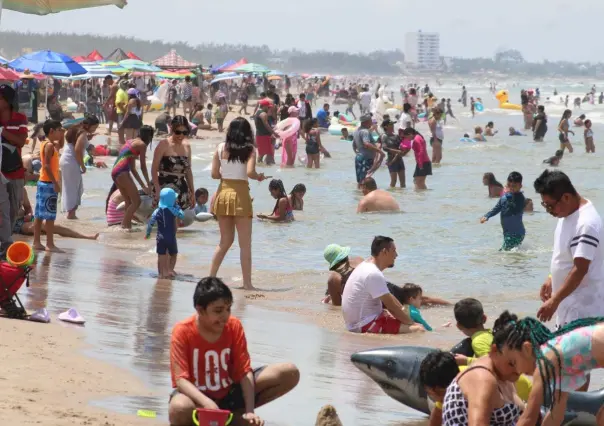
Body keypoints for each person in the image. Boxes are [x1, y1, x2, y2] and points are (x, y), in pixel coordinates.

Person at [168, 277, 299, 426]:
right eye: (218, 311)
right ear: (200, 310)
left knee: (289, 372)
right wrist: (206, 403)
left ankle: (236, 416)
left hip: (229, 395)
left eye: (228, 309)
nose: (224, 316)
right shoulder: (182, 331)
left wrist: (250, 410)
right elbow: (180, 380)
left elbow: (243, 371)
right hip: (196, 399)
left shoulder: (234, 326)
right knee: (179, 408)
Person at [493, 311, 604, 426]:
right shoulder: (558, 362)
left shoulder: (546, 360)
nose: (517, 371)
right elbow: (556, 414)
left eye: (513, 362)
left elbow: (528, 417)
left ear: (527, 348)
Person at [533, 170, 604, 332]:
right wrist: (551, 277)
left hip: (585, 313)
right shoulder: (567, 214)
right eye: (545, 205)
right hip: (569, 309)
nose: (549, 211)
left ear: (566, 197)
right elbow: (567, 257)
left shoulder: (586, 224)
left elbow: (580, 268)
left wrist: (554, 300)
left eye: (550, 205)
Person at [209, 117, 266, 291]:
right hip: (240, 196)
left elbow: (214, 174)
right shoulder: (250, 150)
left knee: (224, 242)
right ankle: (247, 283)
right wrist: (259, 177)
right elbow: (249, 172)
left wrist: (225, 174)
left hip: (223, 194)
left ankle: (211, 278)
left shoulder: (219, 148)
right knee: (245, 244)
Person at [323, 243, 450, 307]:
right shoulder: (359, 259)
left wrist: (329, 298)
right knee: (420, 299)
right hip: (384, 287)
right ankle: (451, 306)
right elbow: (376, 273)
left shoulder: (333, 279)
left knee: (411, 304)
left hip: (372, 299)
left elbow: (339, 307)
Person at [341, 236, 421, 334]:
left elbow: (388, 296)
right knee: (419, 330)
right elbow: (391, 307)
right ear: (384, 252)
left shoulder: (366, 266)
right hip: (363, 325)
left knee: (398, 316)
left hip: (356, 322)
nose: (396, 255)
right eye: (394, 251)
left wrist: (403, 310)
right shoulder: (373, 273)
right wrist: (411, 323)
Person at [0, 84, 28, 256]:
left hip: (15, 171)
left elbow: (21, 141)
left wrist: (3, 132)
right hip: (0, 173)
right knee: (2, 209)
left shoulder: (19, 118)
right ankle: (5, 244)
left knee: (14, 208)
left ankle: (6, 239)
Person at [111, 125, 154, 229]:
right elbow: (143, 166)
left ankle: (127, 226)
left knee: (128, 201)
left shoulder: (130, 141)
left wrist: (143, 185)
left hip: (115, 171)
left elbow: (133, 169)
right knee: (137, 201)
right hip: (122, 172)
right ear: (149, 136)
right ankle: (124, 226)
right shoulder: (142, 145)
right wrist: (148, 184)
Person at [14, 189, 98, 240]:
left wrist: (29, 214)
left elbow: (28, 207)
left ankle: (82, 236)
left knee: (48, 225)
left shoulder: (22, 190)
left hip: (25, 218)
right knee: (35, 228)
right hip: (15, 222)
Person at [33, 120, 65, 252]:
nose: (60, 132)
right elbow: (46, 166)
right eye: (58, 130)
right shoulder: (49, 146)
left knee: (39, 214)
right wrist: (55, 183)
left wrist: (62, 134)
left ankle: (36, 242)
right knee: (50, 216)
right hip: (48, 183)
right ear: (52, 131)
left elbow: (60, 145)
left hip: (42, 182)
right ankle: (50, 244)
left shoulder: (46, 143)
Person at [151, 116, 195, 210]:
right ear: (172, 129)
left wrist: (192, 192)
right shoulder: (163, 144)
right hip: (165, 187)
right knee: (167, 219)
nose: (181, 135)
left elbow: (188, 171)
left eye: (184, 132)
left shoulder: (187, 146)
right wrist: (158, 190)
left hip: (181, 187)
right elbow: (154, 169)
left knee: (177, 221)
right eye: (178, 132)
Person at [61, 115, 99, 219]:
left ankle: (70, 214)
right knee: (74, 189)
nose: (94, 129)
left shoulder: (76, 129)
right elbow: (78, 149)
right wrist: (83, 166)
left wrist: (88, 138)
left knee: (71, 188)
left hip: (66, 160)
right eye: (94, 127)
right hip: (71, 162)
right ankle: (71, 215)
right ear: (88, 125)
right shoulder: (82, 133)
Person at [480, 171, 526, 251]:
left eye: (514, 186)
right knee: (507, 253)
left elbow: (515, 210)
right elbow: (496, 208)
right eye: (509, 185)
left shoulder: (520, 198)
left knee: (503, 252)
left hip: (517, 233)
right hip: (507, 233)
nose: (511, 188)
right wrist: (487, 216)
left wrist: (509, 197)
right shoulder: (504, 197)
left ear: (520, 186)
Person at [146, 188, 184, 279]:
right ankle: (169, 270)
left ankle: (161, 273)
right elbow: (182, 215)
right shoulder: (173, 210)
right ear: (171, 200)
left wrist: (148, 234)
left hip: (160, 238)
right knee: (173, 254)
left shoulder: (156, 211)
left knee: (161, 255)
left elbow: (150, 223)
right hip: (171, 237)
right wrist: (178, 208)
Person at [419, 351, 459, 426]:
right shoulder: (445, 394)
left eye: (429, 393)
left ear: (436, 390)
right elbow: (435, 420)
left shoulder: (458, 400)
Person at [352, 114, 383, 189]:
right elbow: (366, 143)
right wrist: (380, 151)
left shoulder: (356, 131)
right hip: (366, 158)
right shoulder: (365, 131)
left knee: (360, 179)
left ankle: (358, 195)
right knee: (365, 180)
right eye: (370, 121)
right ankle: (363, 196)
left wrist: (357, 153)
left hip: (359, 157)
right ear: (366, 122)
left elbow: (354, 144)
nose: (371, 123)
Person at [381, 119, 406, 188]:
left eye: (393, 124)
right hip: (391, 160)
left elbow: (401, 146)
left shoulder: (396, 135)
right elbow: (384, 148)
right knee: (393, 181)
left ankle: (403, 197)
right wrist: (396, 151)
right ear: (386, 127)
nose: (392, 126)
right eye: (390, 125)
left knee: (403, 183)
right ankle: (390, 196)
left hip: (399, 159)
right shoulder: (384, 136)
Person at [254, 99, 279, 165]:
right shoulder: (263, 113)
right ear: (264, 106)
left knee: (264, 152)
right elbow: (266, 125)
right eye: (268, 107)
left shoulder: (258, 112)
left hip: (261, 135)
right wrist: (274, 132)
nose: (269, 108)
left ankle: (261, 165)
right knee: (263, 153)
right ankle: (260, 165)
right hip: (263, 136)